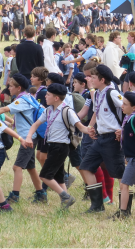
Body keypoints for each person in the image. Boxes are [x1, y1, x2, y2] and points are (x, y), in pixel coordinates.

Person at [25, 83, 89, 211]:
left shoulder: (67, 111)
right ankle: (64, 205)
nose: (45, 97)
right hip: (52, 145)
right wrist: (28, 137)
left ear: (56, 98)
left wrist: (90, 131)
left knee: (44, 176)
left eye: (48, 95)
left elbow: (81, 127)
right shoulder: (48, 110)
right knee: (59, 178)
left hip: (61, 147)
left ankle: (66, 197)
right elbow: (36, 124)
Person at [0, 73, 46, 204]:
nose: (8, 88)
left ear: (18, 87)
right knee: (31, 167)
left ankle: (15, 195)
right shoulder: (28, 97)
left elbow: (5, 108)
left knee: (17, 167)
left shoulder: (21, 100)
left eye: (11, 86)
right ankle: (41, 194)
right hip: (32, 136)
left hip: (28, 138)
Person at [78, 63, 126, 213]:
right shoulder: (97, 93)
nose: (89, 79)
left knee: (120, 174)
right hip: (100, 138)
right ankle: (97, 205)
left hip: (113, 139)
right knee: (85, 167)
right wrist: (90, 128)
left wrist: (123, 129)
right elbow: (96, 112)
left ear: (102, 79)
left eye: (93, 77)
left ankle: (124, 208)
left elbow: (129, 108)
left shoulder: (112, 93)